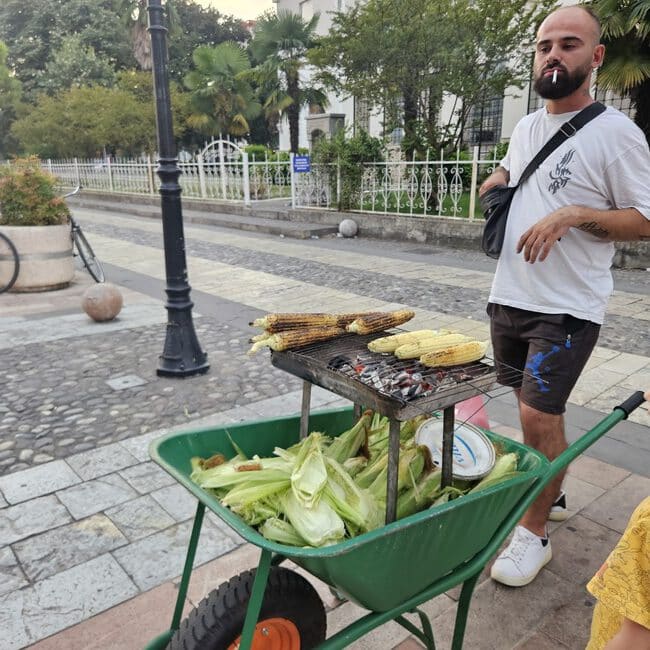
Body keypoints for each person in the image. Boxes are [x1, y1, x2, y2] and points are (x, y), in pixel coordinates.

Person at [479, 4, 650, 587]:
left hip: (567, 308)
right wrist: (499, 180)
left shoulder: (618, 135)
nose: (554, 54)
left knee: (536, 414)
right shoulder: (528, 127)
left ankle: (534, 535)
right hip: (510, 296)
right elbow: (514, 167)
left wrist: (577, 214)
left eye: (569, 44)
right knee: (531, 418)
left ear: (595, 57)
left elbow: (645, 219)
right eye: (545, 45)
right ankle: (552, 489)